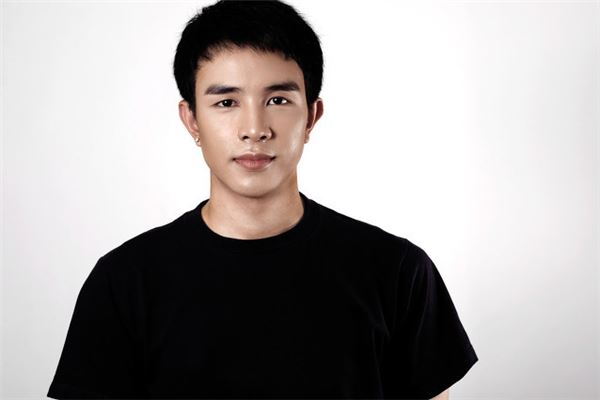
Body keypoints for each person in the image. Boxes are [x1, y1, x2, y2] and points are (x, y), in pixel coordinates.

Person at [47, 1, 478, 399]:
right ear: (191, 119)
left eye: (277, 99)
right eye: (226, 102)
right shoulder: (124, 282)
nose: (254, 129)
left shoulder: (398, 273)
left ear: (311, 117)